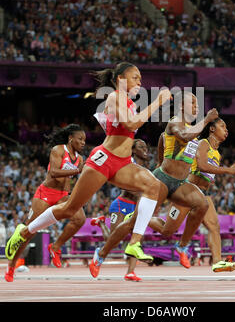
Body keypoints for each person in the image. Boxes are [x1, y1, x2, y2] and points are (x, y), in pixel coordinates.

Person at [5, 62, 172, 275]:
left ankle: (134, 243)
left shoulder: (129, 101)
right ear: (120, 79)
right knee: (70, 209)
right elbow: (131, 124)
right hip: (104, 160)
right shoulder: (114, 97)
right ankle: (25, 230)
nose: (140, 81)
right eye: (135, 77)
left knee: (153, 186)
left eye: (140, 78)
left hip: (122, 163)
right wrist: (158, 101)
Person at [88, 91, 218, 274]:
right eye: (193, 103)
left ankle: (182, 247)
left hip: (179, 183)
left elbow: (164, 142)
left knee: (199, 207)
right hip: (163, 180)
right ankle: (100, 255)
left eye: (198, 104)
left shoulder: (192, 128)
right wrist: (206, 120)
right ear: (182, 106)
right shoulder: (175, 122)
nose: (197, 107)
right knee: (132, 224)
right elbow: (184, 136)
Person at [161, 117, 235, 272]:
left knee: (214, 226)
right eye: (222, 126)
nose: (226, 130)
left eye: (227, 127)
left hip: (203, 195)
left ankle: (217, 262)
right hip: (187, 192)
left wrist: (213, 178)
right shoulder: (203, 144)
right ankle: (139, 217)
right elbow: (201, 166)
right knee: (168, 230)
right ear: (212, 129)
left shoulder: (217, 154)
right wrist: (228, 170)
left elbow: (208, 172)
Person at [5, 124, 86, 282]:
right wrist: (77, 171)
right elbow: (54, 173)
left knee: (80, 219)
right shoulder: (59, 150)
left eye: (84, 140)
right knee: (30, 231)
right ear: (71, 139)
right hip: (45, 194)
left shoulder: (80, 158)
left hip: (63, 195)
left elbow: (71, 180)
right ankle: (12, 265)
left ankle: (56, 247)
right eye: (80, 139)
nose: (83, 142)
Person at [92, 139, 149, 281]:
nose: (145, 149)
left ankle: (130, 272)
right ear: (134, 150)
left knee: (136, 240)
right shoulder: (129, 164)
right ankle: (101, 223)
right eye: (141, 147)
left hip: (135, 207)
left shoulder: (146, 169)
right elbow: (124, 185)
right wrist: (143, 195)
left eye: (146, 146)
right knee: (113, 240)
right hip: (121, 205)